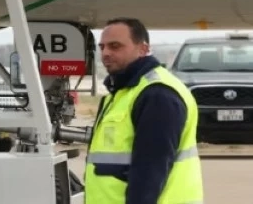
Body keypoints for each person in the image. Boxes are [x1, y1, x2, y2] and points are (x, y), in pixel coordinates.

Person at [86, 17, 204, 204]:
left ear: (143, 49)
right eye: (102, 47)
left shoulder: (157, 94)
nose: (106, 53)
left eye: (115, 46)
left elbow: (150, 171)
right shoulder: (123, 92)